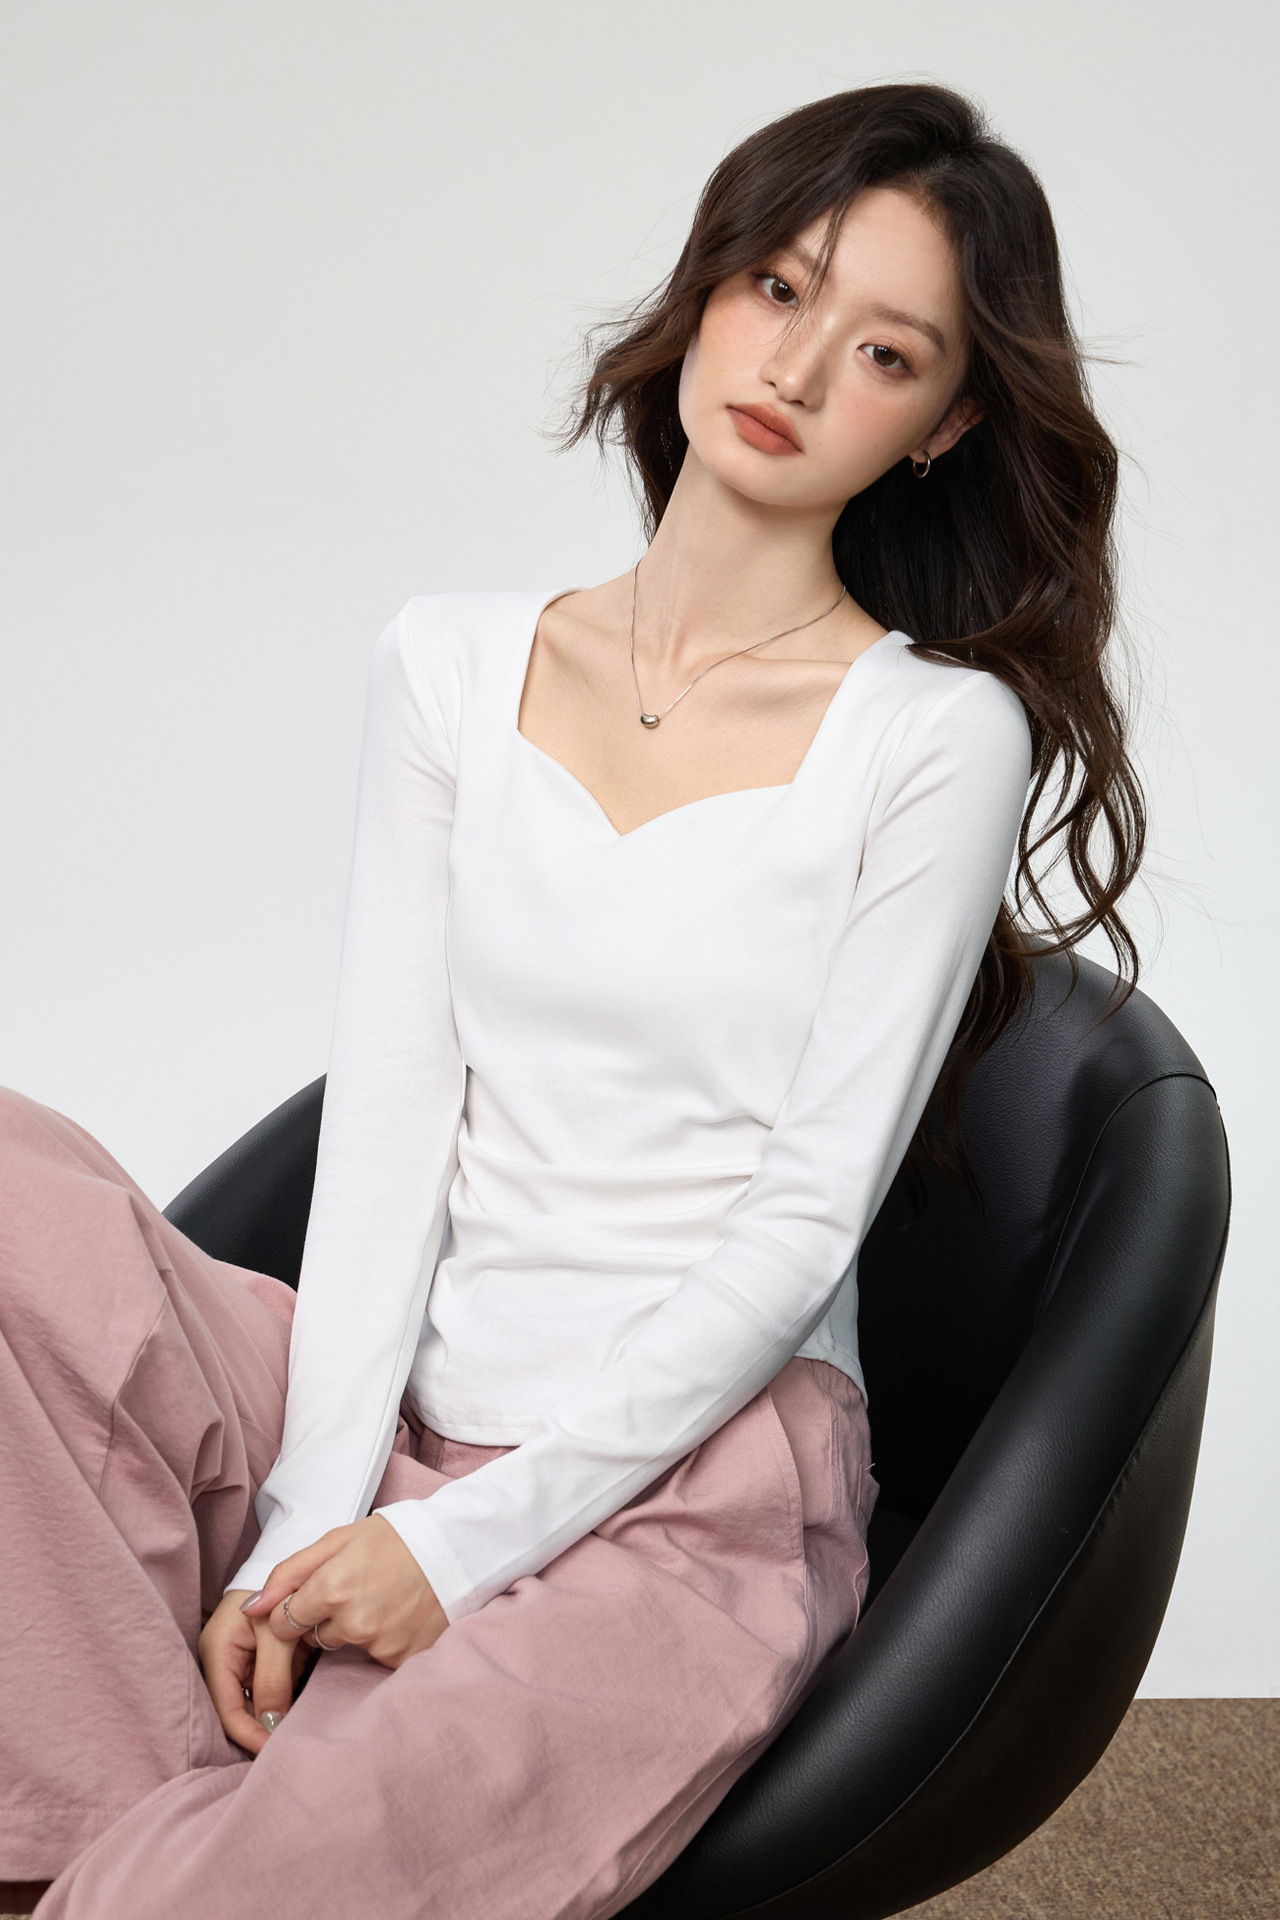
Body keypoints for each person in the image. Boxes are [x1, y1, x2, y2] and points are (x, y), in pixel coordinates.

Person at [1, 82, 1143, 1920]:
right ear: (708, 286)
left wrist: (451, 1551)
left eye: (885, 352)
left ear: (945, 425)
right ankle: (108, 1795)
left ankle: (165, 1854)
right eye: (779, 288)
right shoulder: (450, 661)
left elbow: (800, 1227)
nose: (797, 367)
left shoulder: (935, 738)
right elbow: (394, 1121)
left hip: (688, 1490)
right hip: (388, 1411)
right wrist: (312, 1525)